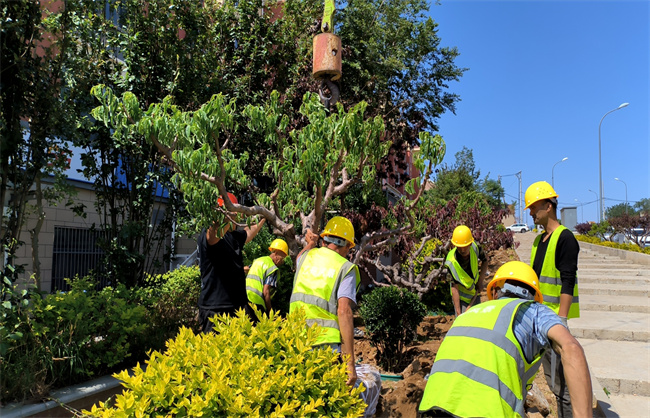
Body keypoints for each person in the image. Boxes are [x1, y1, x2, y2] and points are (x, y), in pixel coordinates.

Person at [418, 261, 592, 418]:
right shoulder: (535, 311)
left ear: (495, 291)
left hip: (430, 408)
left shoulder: (467, 315)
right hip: (487, 412)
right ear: (534, 297)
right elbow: (571, 348)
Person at [290, 216, 381, 417]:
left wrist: (311, 244)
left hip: (294, 342)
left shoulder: (304, 257)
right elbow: (344, 312)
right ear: (347, 245)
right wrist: (350, 364)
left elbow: (301, 255)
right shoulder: (345, 268)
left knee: (300, 404)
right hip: (324, 346)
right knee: (326, 405)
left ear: (324, 240)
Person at [525, 181, 581, 417]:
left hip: (555, 321)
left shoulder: (565, 238)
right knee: (552, 381)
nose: (530, 213)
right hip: (539, 319)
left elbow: (568, 281)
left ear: (548, 206)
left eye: (533, 207)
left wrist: (562, 320)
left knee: (564, 386)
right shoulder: (539, 241)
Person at [197, 192, 266, 333]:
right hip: (216, 309)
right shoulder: (209, 233)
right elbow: (214, 234)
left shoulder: (232, 237)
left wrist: (263, 214)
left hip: (238, 306)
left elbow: (248, 233)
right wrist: (228, 214)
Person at [445, 225, 489, 317]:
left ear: (470, 243)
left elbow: (485, 260)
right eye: (459, 247)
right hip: (462, 299)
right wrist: (458, 313)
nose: (463, 250)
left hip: (475, 292)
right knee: (465, 324)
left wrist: (480, 281)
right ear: (454, 245)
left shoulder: (475, 247)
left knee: (476, 321)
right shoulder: (451, 262)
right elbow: (454, 288)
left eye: (465, 246)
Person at [246, 238, 288, 313]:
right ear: (276, 253)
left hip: (244, 297)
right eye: (282, 258)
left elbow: (245, 269)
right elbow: (266, 291)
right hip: (256, 302)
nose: (282, 262)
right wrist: (270, 311)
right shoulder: (272, 268)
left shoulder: (258, 260)